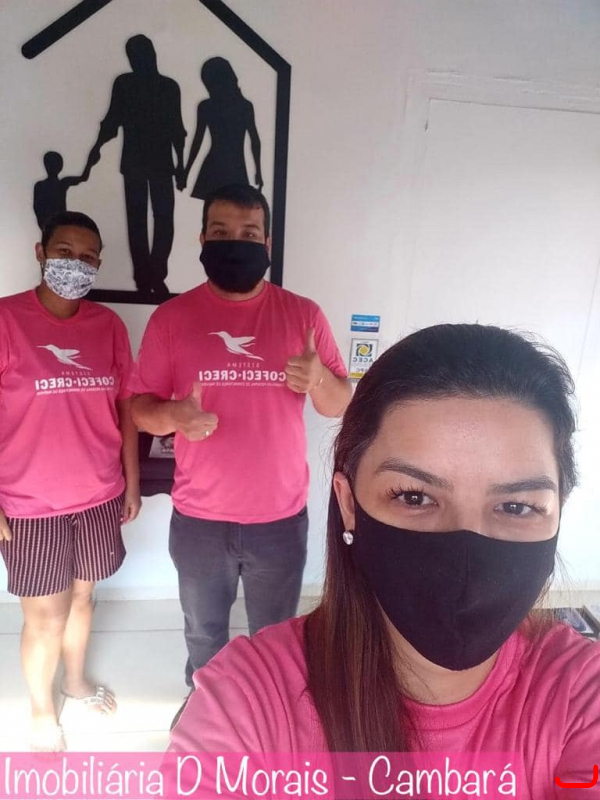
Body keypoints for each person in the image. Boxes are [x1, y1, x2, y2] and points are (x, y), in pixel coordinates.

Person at [169, 323, 600, 798]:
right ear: (348, 503)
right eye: (414, 497)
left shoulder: (583, 695)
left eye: (516, 506)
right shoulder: (244, 706)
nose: (465, 548)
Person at [130, 184, 351, 692]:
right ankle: (206, 706)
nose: (236, 242)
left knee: (275, 638)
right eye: (221, 231)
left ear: (267, 243)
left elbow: (339, 405)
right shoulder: (172, 319)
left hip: (279, 519)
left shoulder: (303, 315)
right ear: (202, 239)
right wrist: (175, 416)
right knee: (203, 633)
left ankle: (268, 712)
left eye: (249, 233)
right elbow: (141, 411)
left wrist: (318, 377)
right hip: (200, 520)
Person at [0, 211, 141, 751]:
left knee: (83, 598)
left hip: (99, 494)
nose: (74, 265)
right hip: (29, 503)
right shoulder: (7, 320)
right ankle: (41, 711)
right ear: (40, 252)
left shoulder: (109, 326)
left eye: (86, 257)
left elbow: (125, 409)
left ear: (98, 264)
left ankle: (75, 681)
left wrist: (131, 482)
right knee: (46, 616)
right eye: (63, 252)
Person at [82, 34, 187, 301]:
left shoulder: (166, 87)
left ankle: (154, 274)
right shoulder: (128, 84)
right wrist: (97, 146)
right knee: (143, 219)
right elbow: (112, 121)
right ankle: (145, 276)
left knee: (158, 219)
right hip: (139, 162)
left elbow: (177, 129)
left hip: (157, 162)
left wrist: (181, 164)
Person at [184, 57, 263, 199]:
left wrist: (186, 172)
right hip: (232, 167)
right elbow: (197, 141)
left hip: (222, 166)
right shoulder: (244, 106)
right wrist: (258, 171)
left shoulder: (208, 107)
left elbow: (197, 141)